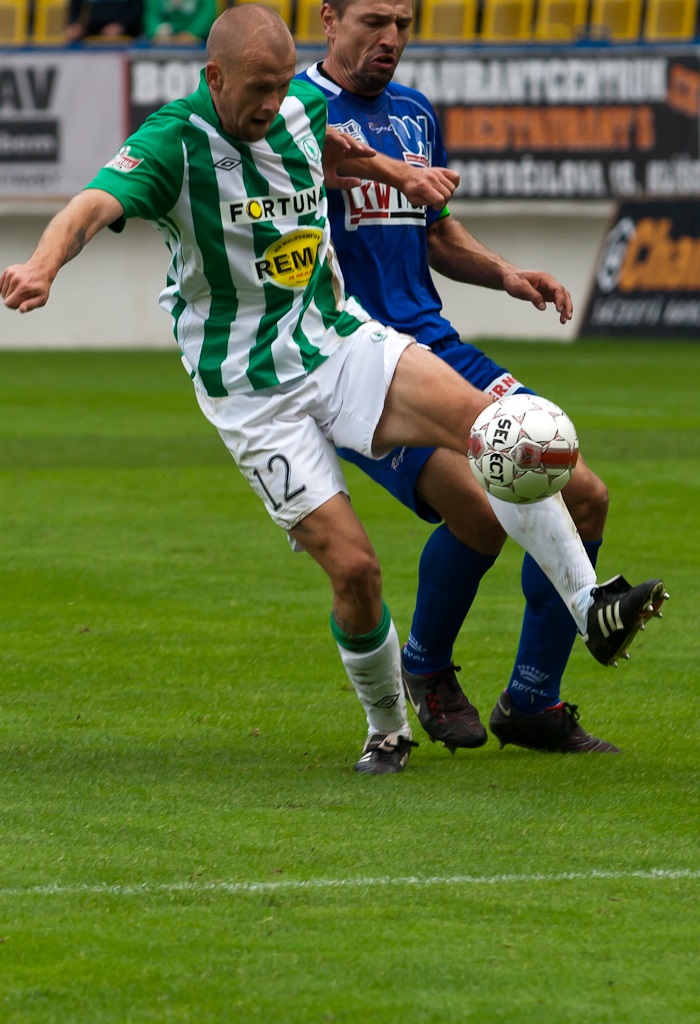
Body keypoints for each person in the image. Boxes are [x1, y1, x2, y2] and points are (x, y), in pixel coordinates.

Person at [1, 6, 664, 776]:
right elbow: (90, 205)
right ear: (213, 78)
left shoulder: (298, 105)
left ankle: (591, 607)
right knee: (355, 572)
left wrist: (397, 173)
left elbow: (332, 147)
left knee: (496, 431)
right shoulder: (172, 143)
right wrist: (45, 264)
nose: (273, 102)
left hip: (337, 340)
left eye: (283, 85)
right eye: (257, 88)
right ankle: (388, 727)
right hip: (250, 389)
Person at [297, 0, 669, 756]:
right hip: (353, 357)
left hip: (437, 343)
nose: (391, 39)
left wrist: (503, 273)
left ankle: (532, 700)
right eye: (374, 20)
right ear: (329, 19)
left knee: (585, 492)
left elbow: (433, 229)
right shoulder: (296, 111)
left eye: (403, 22)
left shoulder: (413, 112)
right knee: (477, 508)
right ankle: (427, 669)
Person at [64, 0, 143, 42]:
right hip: (89, 34)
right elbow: (75, 6)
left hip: (125, 36)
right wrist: (74, 24)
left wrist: (122, 25)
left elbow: (137, 8)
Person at [143, 0, 216, 44]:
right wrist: (157, 32)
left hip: (199, 40)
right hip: (163, 40)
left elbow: (208, 12)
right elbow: (151, 16)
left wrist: (192, 33)